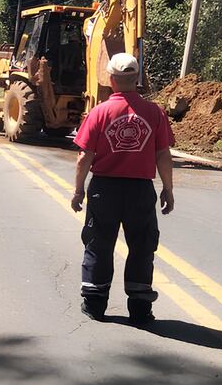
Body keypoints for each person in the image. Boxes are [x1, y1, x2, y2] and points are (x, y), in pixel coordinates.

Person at [70, 52, 175, 324]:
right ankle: (140, 309)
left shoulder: (100, 112)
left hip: (105, 189)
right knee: (142, 247)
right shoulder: (155, 113)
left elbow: (85, 156)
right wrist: (168, 189)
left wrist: (78, 190)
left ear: (111, 79)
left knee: (99, 243)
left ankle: (94, 304)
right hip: (140, 191)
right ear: (136, 79)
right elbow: (163, 154)